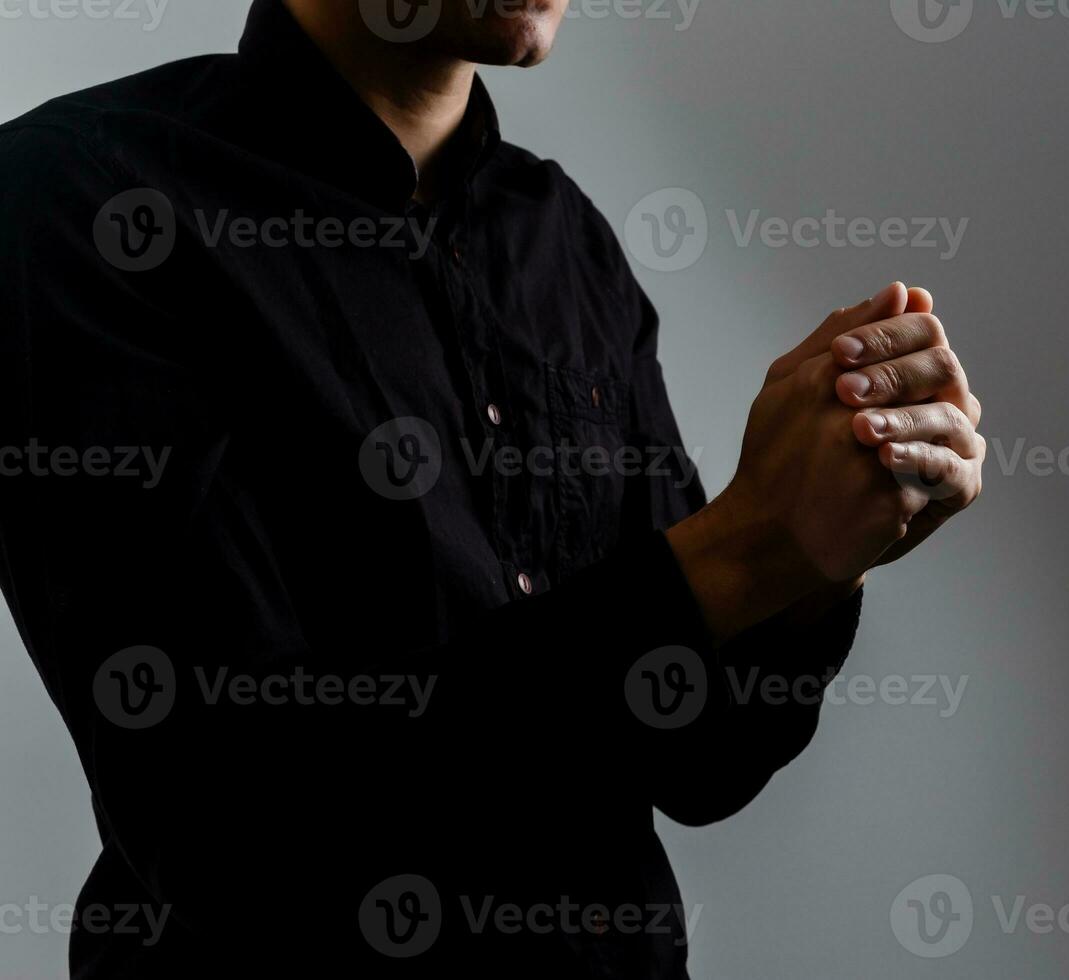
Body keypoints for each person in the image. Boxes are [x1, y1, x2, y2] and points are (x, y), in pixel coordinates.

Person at [0, 0, 983, 975]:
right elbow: (233, 833)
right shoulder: (84, 199)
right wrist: (738, 548)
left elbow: (698, 760)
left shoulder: (566, 238)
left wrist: (817, 556)